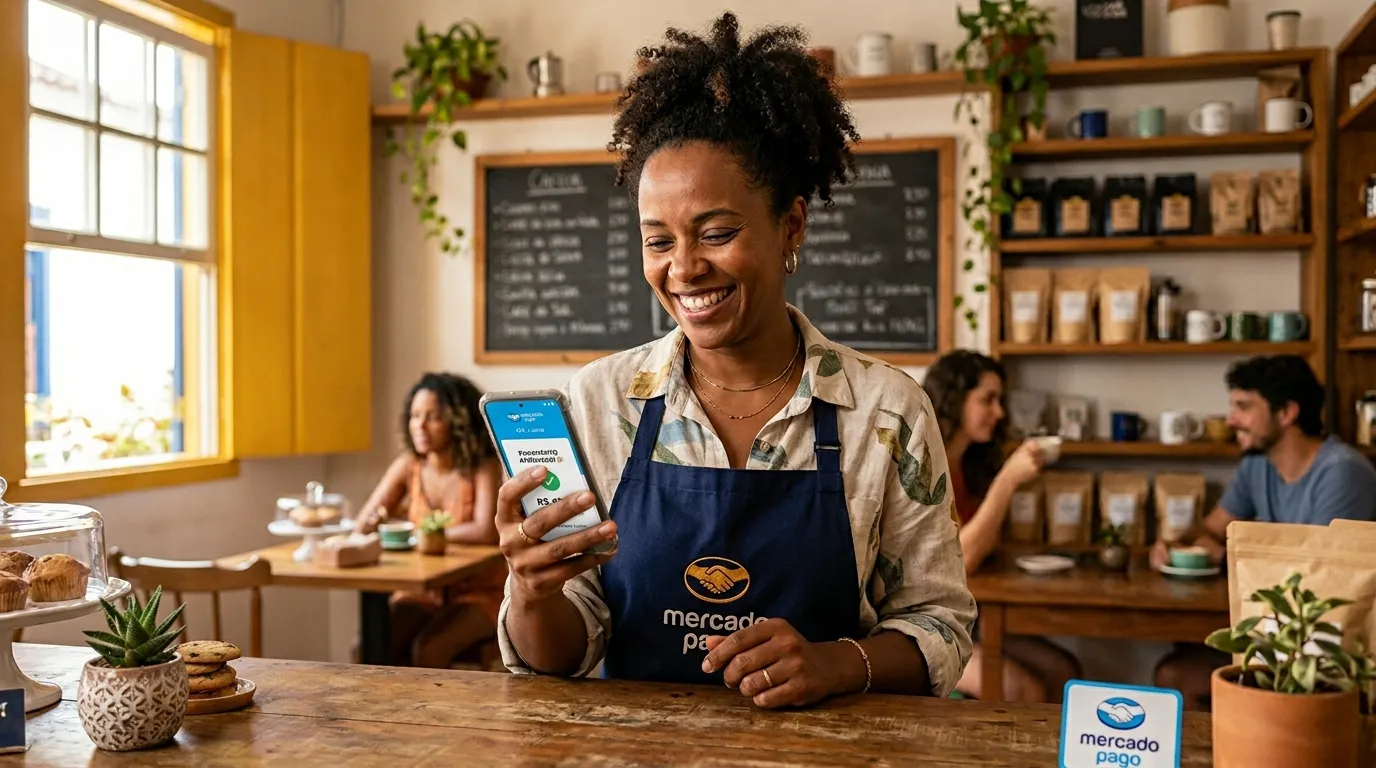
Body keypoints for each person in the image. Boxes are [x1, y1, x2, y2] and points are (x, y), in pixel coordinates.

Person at [492, 12, 976, 708]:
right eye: (658, 242)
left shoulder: (886, 411)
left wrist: (836, 664)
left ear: (792, 225)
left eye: (716, 233)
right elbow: (562, 657)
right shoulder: (600, 401)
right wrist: (533, 593)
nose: (684, 269)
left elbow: (942, 625)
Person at [1151, 354, 1376, 709]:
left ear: (1286, 413)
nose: (1230, 420)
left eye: (1244, 407)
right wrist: (1171, 543)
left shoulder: (1343, 473)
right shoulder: (1257, 465)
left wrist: (1223, 554)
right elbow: (1210, 528)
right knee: (1174, 674)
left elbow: (1324, 583)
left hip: (1330, 650)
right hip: (1278, 637)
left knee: (1178, 674)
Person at [922, 351, 1081, 703]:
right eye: (988, 400)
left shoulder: (967, 463)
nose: (1000, 413)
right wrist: (1008, 479)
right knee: (1025, 689)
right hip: (927, 626)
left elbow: (982, 545)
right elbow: (962, 562)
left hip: (970, 616)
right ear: (954, 400)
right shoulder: (927, 464)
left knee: (1063, 671)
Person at [355, 372, 506, 669]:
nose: (420, 427)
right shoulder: (408, 466)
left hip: (479, 592)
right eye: (414, 416)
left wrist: (418, 531)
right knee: (371, 645)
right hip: (422, 590)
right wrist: (381, 519)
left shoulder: (482, 466)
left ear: (459, 421)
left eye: (433, 417)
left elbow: (484, 530)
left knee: (429, 648)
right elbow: (363, 526)